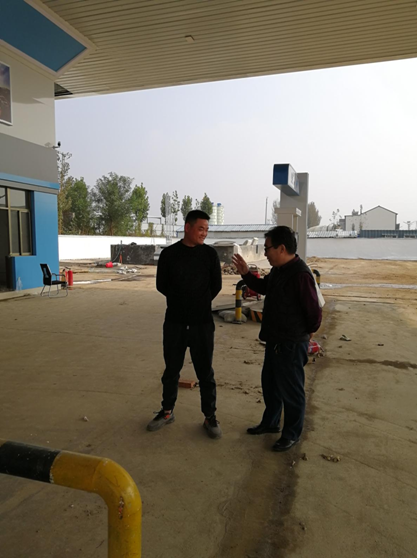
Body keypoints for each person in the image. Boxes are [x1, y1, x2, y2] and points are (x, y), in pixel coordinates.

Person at [232, 226, 322, 452]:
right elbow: (264, 287)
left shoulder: (300, 275)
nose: (266, 253)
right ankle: (271, 423)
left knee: (292, 391)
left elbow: (314, 311)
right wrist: (246, 273)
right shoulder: (280, 270)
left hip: (291, 343)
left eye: (267, 248)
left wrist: (309, 332)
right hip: (274, 339)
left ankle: (291, 434)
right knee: (271, 385)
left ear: (282, 248)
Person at [147, 210, 223, 439]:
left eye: (206, 230)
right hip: (175, 322)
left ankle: (210, 416)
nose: (204, 233)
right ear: (188, 228)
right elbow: (161, 285)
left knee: (205, 372)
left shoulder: (210, 255)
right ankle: (167, 412)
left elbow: (216, 286)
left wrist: (198, 302)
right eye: (201, 229)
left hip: (202, 323)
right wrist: (181, 300)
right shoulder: (169, 254)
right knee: (171, 370)